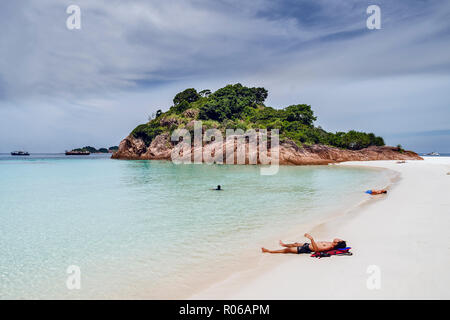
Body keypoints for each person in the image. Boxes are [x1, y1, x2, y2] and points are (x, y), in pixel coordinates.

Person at [261, 233, 346, 254]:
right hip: (309, 245)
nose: (338, 238)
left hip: (307, 248)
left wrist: (311, 239)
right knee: (295, 243)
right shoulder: (330, 243)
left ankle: (269, 251)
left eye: (339, 240)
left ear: (336, 244)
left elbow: (316, 250)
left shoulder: (328, 247)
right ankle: (284, 244)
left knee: (288, 250)